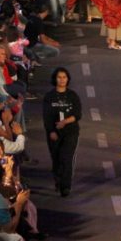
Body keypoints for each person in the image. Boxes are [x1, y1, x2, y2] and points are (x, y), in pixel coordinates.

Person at [43, 66, 81, 197]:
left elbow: (78, 114)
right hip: (54, 133)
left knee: (67, 157)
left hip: (70, 132)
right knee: (57, 159)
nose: (62, 80)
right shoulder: (49, 96)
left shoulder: (72, 95)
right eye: (59, 77)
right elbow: (46, 116)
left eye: (64, 77)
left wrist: (65, 122)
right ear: (55, 79)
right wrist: (51, 131)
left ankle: (66, 186)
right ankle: (58, 181)